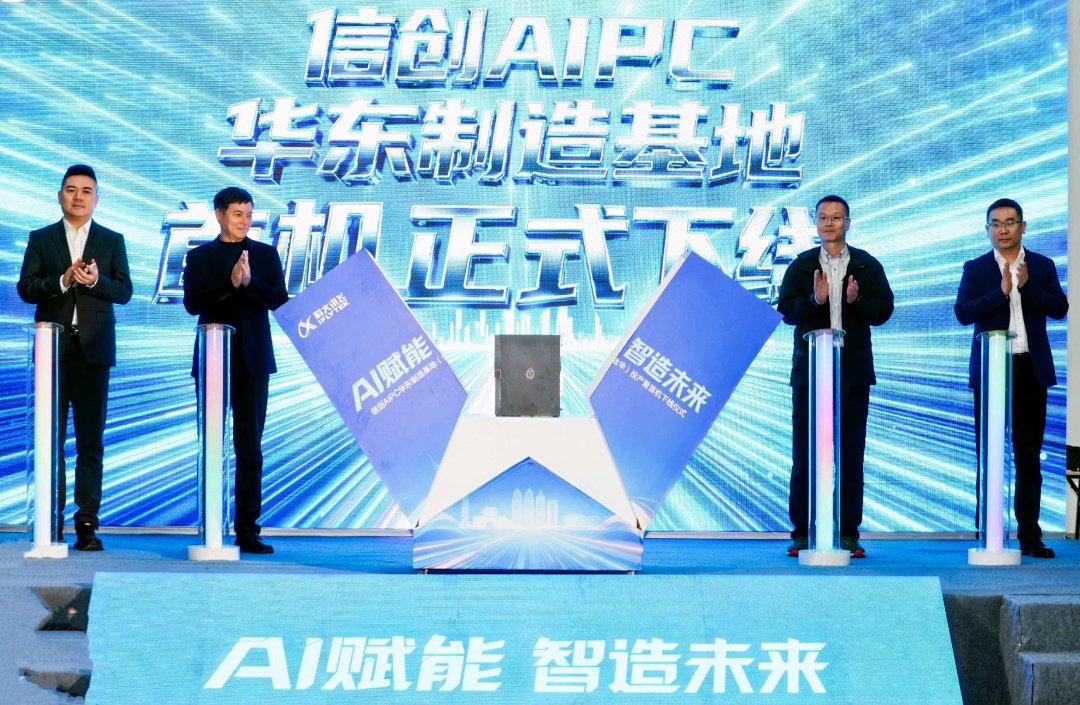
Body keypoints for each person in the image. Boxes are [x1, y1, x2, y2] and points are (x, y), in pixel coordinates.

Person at [17, 164, 133, 551]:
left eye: (86, 190)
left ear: (96, 198)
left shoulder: (111, 240)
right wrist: (63, 281)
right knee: (50, 438)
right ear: (60, 195)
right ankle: (51, 518)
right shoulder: (41, 238)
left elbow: (125, 291)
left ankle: (86, 522)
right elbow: (26, 288)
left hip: (94, 351)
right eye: (71, 189)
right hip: (52, 351)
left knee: (90, 440)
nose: (78, 197)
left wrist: (96, 281)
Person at [776, 195, 894, 558]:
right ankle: (802, 532)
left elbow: (884, 310)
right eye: (823, 218)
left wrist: (858, 301)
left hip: (852, 372)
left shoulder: (866, 264)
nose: (829, 223)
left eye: (836, 217)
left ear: (848, 222)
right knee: (805, 455)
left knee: (850, 456)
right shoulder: (801, 265)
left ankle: (847, 533)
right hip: (810, 372)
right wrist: (815, 300)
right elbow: (786, 311)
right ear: (815, 223)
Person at [954, 198, 1067, 559]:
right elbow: (963, 313)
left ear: (1023, 226)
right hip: (992, 369)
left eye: (1010, 222)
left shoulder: (1042, 265)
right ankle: (988, 531)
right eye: (996, 223)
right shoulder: (975, 268)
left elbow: (1060, 308)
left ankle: (1030, 535)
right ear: (987, 229)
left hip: (1029, 369)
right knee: (989, 454)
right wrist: (1000, 292)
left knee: (1028, 456)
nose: (1003, 230)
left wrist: (1027, 286)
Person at [183, 187, 288, 554]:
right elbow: (193, 304)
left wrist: (250, 282)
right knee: (211, 445)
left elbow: (280, 301)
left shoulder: (265, 254)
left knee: (250, 448)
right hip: (213, 359)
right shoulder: (200, 257)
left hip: (254, 360)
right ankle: (211, 524)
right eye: (237, 214)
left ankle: (247, 529)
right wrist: (229, 285)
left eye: (248, 214)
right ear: (219, 215)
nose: (244, 221)